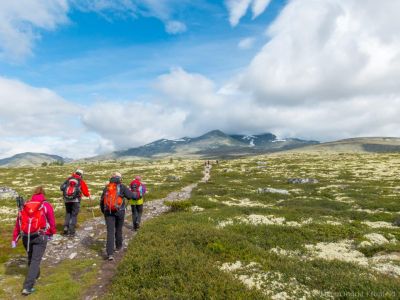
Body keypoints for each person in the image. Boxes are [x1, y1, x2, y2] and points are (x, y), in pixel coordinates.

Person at [11, 186, 56, 296]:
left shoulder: (25, 206)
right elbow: (51, 220)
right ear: (43, 194)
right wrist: (51, 233)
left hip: (26, 236)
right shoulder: (45, 205)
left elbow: (19, 223)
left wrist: (14, 239)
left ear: (33, 194)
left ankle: (35, 274)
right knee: (35, 260)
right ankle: (28, 287)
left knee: (31, 258)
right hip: (41, 236)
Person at [100, 172, 140, 261]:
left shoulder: (106, 188)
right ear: (120, 178)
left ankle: (110, 254)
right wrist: (137, 194)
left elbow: (102, 201)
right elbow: (131, 196)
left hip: (108, 212)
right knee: (118, 229)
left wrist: (104, 212)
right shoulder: (122, 187)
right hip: (120, 211)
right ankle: (118, 246)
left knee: (110, 231)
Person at [60, 169, 91, 236]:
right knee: (74, 215)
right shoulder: (80, 180)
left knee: (68, 213)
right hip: (76, 200)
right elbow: (86, 193)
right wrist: (88, 194)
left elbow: (62, 188)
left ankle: (66, 228)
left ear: (75, 173)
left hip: (66, 199)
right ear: (81, 174)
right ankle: (72, 232)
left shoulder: (68, 179)